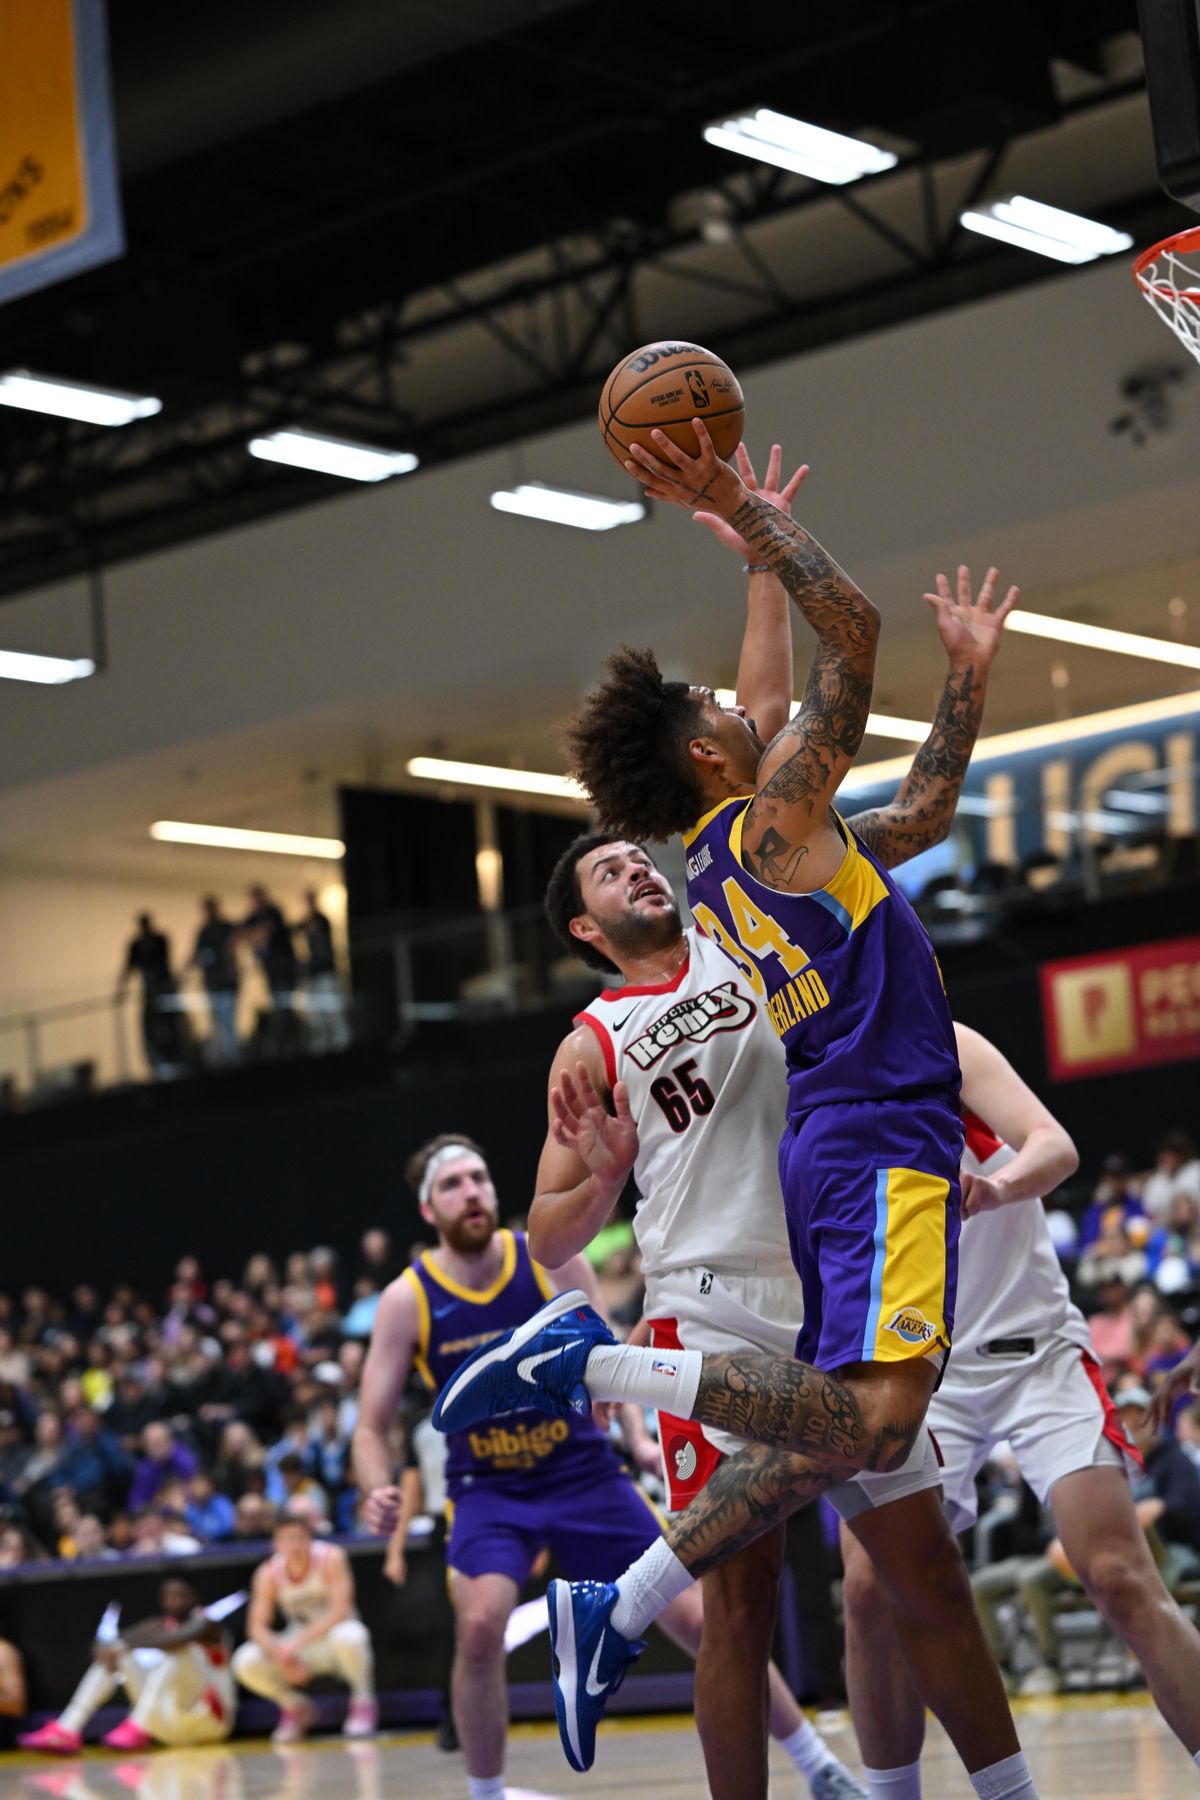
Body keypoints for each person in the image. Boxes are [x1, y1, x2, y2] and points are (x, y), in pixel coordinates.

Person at [438, 425, 1033, 1795]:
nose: (737, 712)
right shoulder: (643, 972)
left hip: (826, 1225)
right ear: (585, 929)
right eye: (604, 881)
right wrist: (746, 518)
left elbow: (918, 805)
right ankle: (588, 1388)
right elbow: (837, 648)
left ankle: (969, 1778)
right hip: (761, 1243)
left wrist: (964, 679)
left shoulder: (734, 883)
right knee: (771, 1570)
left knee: (911, 1538)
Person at [533, 827, 1021, 1794]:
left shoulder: (744, 936)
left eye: (641, 856)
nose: (638, 869)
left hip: (833, 1282)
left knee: (925, 1571)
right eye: (610, 870)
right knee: (741, 1600)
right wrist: (602, 1181)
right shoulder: (591, 1041)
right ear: (587, 926)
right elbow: (548, 1235)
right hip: (707, 1304)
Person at [353, 1133, 864, 1800]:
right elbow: (370, 1424)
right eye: (452, 1185)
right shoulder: (406, 1299)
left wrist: (637, 1434)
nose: (471, 1191)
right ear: (428, 1211)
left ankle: (817, 1763)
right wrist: (376, 1487)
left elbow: (605, 1354)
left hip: (583, 1473)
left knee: (703, 1621)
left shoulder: (542, 1257)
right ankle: (486, 1794)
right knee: (479, 1625)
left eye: (478, 1177)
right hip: (489, 1490)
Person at [835, 1027, 1200, 1792]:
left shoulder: (944, 1044)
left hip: (1035, 1352)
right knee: (869, 1590)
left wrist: (999, 1188)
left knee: (1117, 1574)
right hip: (918, 1371)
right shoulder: (807, 1081)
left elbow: (1053, 1146)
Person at [18, 1576, 236, 1753]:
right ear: (161, 1601)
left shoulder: (207, 1623)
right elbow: (103, 1645)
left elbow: (178, 1639)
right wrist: (112, 1648)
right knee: (119, 1655)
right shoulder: (156, 1625)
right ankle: (67, 1730)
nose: (175, 1601)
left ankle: (137, 1724)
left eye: (182, 1595)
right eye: (170, 1596)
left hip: (210, 1722)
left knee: (180, 1651)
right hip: (168, 1727)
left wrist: (124, 1644)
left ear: (195, 1598)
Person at [232, 1508, 376, 1742]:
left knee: (352, 1635)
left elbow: (341, 1610)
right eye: (288, 1540)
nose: (295, 1546)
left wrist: (295, 1644)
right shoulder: (268, 1573)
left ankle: (363, 1702)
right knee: (245, 1660)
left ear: (310, 1538)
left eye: (300, 1538)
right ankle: (295, 1706)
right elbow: (256, 1627)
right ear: (275, 1544)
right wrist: (280, 1654)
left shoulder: (331, 1557)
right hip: (299, 1642)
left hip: (330, 1637)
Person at [116, 913, 184, 1078]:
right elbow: (129, 967)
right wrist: (120, 990)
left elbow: (166, 963)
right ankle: (158, 1064)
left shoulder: (160, 939)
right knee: (152, 1029)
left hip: (164, 990)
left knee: (172, 1026)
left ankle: (176, 1059)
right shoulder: (137, 944)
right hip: (151, 992)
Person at [237, 884, 300, 1054]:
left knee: (284, 1005)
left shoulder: (273, 911)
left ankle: (288, 1043)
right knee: (278, 1005)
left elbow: (266, 931)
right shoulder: (253, 917)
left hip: (285, 968)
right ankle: (282, 1044)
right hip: (271, 971)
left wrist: (255, 935)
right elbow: (241, 935)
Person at [294, 889, 350, 1052]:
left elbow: (313, 927)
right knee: (317, 1014)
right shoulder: (306, 923)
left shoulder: (321, 919)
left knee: (334, 1010)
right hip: (314, 974)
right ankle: (323, 1045)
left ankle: (342, 1044)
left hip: (327, 972)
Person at [187, 896, 240, 1063]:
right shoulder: (204, 931)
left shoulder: (226, 927)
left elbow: (236, 944)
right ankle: (223, 1057)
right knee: (217, 1023)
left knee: (228, 1022)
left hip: (227, 982)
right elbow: (195, 955)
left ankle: (233, 1057)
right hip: (213, 983)